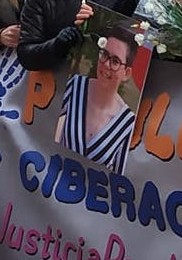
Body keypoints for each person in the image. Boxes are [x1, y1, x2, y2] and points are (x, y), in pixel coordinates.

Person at [58, 24, 139, 175]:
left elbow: (117, 178)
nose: (106, 64)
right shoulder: (75, 86)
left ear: (126, 73)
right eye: (104, 54)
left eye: (115, 61)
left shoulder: (127, 123)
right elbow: (46, 121)